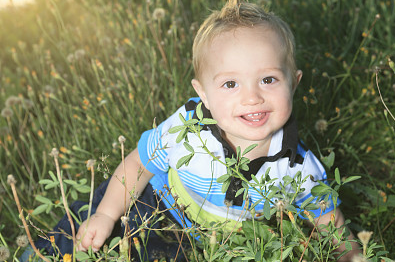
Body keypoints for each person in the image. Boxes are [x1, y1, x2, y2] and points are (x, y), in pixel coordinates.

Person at [23, 0, 360, 261]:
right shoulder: (189, 127)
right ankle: (43, 251)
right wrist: (106, 214)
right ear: (204, 95)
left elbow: (326, 216)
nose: (252, 97)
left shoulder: (297, 167)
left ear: (294, 82)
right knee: (89, 229)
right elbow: (139, 164)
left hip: (212, 240)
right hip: (154, 199)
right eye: (230, 83)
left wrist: (351, 252)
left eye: (268, 79)